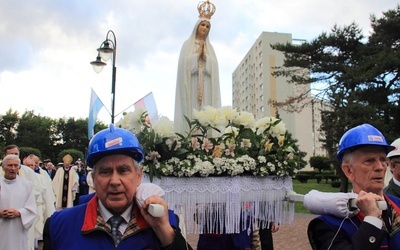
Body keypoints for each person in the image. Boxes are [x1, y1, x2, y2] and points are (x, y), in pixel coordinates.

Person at [43, 124, 189, 249]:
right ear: (93, 179)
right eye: (105, 172)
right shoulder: (59, 226)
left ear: (138, 176)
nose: (114, 181)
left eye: (123, 170)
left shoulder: (165, 221)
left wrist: (165, 233)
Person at [307, 123, 400, 249]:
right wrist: (372, 220)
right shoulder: (329, 224)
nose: (380, 167)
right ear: (349, 171)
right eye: (369, 161)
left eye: (383, 159)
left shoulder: (397, 205)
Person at [174, 0, 221, 134]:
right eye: (203, 25)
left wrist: (205, 56)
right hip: (192, 85)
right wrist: (196, 55)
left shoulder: (210, 48)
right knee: (192, 114)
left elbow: (214, 69)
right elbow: (184, 66)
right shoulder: (187, 45)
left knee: (206, 113)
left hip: (206, 86)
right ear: (197, 26)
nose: (205, 28)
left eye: (207, 26)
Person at [0, 154, 37, 250]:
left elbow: (32, 208)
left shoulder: (26, 185)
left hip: (18, 228)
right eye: (9, 165)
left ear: (19, 168)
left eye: (16, 166)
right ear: (3, 167)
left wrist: (19, 213)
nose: (13, 168)